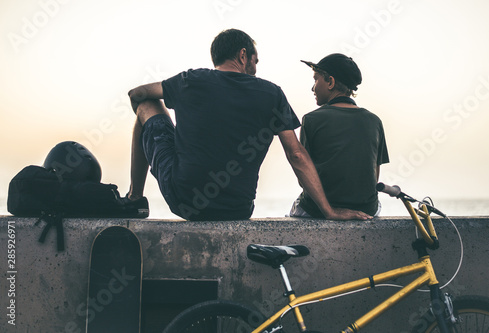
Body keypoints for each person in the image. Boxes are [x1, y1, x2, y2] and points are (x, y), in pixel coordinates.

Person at [125, 29, 371, 221]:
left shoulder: (190, 80)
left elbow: (137, 93)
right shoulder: (272, 93)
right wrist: (329, 211)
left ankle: (135, 198)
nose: (256, 67)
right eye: (256, 60)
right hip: (238, 208)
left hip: (184, 201)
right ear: (243, 55)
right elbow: (296, 154)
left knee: (147, 105)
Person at [290, 53, 389, 218]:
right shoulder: (374, 121)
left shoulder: (312, 119)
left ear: (330, 82)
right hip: (367, 210)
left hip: (319, 210)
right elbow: (373, 176)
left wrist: (331, 208)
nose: (313, 87)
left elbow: (304, 181)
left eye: (316, 80)